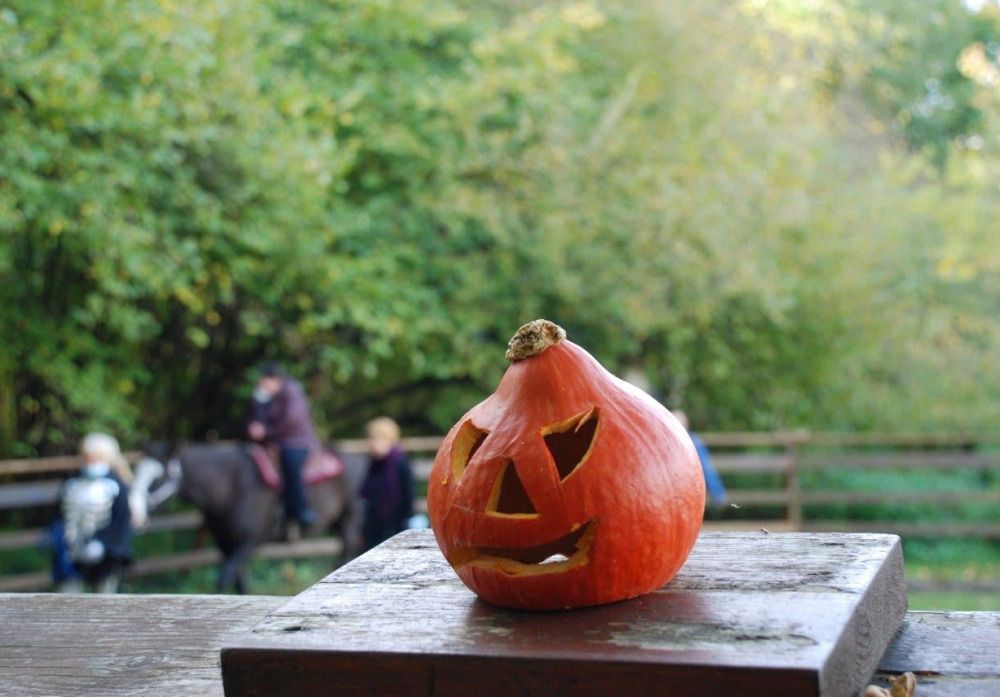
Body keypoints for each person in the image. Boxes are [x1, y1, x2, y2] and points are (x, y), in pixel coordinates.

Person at [51, 432, 134, 593]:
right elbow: (58, 516)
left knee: (104, 600)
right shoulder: (71, 482)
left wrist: (109, 548)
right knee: (66, 601)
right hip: (71, 557)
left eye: (97, 458)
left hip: (106, 559)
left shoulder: (117, 487)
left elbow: (122, 525)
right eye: (89, 457)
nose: (92, 463)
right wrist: (60, 543)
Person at [247, 362, 319, 528]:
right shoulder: (267, 396)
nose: (261, 385)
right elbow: (258, 417)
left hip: (296, 442)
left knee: (290, 462)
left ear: (275, 380)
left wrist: (266, 432)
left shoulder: (292, 392)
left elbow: (291, 421)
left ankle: (300, 510)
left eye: (264, 382)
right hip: (274, 441)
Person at [360, 417, 415, 551]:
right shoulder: (373, 465)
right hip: (374, 528)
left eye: (376, 439)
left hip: (396, 526)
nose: (371, 444)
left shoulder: (400, 463)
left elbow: (408, 497)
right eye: (370, 439)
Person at [674, 409, 728, 505]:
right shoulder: (670, 443)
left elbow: (706, 468)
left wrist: (717, 492)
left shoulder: (694, 443)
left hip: (688, 490)